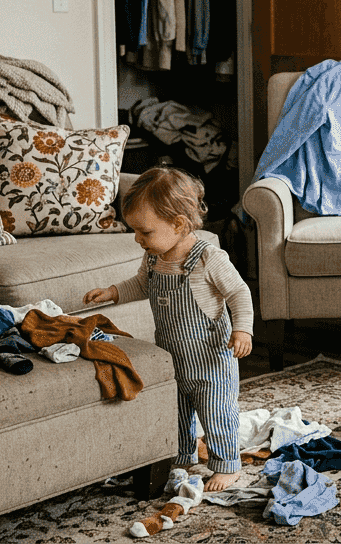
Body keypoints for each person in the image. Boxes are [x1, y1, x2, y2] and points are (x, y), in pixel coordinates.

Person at [82, 166, 253, 491]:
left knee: (217, 414)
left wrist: (242, 329)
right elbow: (139, 286)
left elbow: (239, 293)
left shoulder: (208, 259)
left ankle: (228, 465)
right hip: (172, 358)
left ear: (178, 224)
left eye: (145, 232)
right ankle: (183, 455)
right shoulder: (153, 259)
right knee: (174, 413)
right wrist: (112, 292)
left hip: (210, 363)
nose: (137, 239)